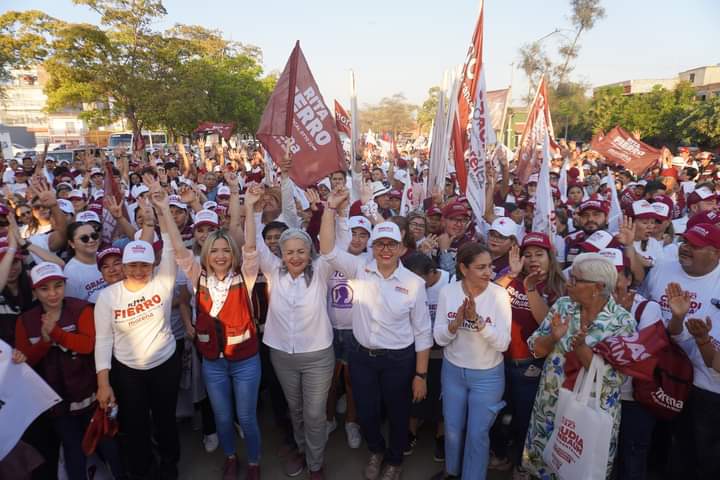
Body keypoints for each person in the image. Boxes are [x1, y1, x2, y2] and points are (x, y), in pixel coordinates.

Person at [319, 189, 432, 480]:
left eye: (391, 244)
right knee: (367, 412)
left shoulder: (413, 283)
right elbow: (328, 250)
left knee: (397, 413)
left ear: (401, 248)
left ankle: (394, 460)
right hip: (362, 357)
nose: (385, 249)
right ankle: (376, 450)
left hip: (399, 360)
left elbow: (422, 331)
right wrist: (330, 210)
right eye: (379, 243)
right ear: (372, 246)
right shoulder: (358, 268)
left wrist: (420, 375)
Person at [164, 174, 262, 480]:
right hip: (213, 362)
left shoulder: (243, 276)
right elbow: (179, 250)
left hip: (245, 360)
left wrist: (250, 208)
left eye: (225, 251)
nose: (220, 256)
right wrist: (163, 210)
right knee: (222, 417)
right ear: (206, 254)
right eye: (214, 250)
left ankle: (255, 462)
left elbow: (250, 247)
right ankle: (231, 457)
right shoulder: (198, 277)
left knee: (246, 416)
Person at [244, 183, 335, 480]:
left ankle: (316, 463)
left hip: (318, 356)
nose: (295, 257)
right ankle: (301, 448)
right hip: (282, 354)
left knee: (314, 413)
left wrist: (328, 210)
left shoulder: (321, 272)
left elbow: (330, 246)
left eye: (301, 251)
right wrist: (251, 209)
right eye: (289, 252)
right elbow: (253, 245)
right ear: (280, 253)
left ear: (309, 252)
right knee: (295, 411)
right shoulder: (273, 270)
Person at [93, 183, 181, 479]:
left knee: (166, 419)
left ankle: (170, 464)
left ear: (153, 264)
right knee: (135, 424)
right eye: (133, 265)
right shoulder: (108, 297)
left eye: (145, 265)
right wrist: (104, 383)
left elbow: (170, 244)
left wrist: (162, 210)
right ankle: (142, 470)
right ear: (125, 265)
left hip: (165, 364)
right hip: (127, 371)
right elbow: (103, 341)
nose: (139, 271)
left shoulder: (162, 282)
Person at [523, 253, 636, 479]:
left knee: (581, 469)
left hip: (591, 412)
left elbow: (613, 380)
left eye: (575, 280)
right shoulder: (563, 306)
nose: (568, 283)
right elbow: (535, 349)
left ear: (598, 287)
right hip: (551, 405)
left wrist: (581, 347)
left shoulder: (622, 323)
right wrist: (553, 338)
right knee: (544, 466)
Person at [14, 262, 124, 480]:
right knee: (74, 451)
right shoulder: (25, 320)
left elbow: (89, 345)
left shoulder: (81, 309)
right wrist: (44, 343)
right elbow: (26, 361)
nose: (53, 293)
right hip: (57, 404)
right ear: (34, 291)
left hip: (91, 397)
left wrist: (55, 333)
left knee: (109, 446)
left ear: (65, 286)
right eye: (44, 289)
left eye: (58, 286)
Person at [430, 243, 511, 480]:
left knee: (477, 434)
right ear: (464, 269)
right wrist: (455, 324)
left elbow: (503, 343)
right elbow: (439, 337)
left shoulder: (499, 295)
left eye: (490, 266)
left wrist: (478, 322)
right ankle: (452, 472)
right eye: (481, 267)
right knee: (453, 429)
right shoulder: (448, 292)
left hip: (487, 376)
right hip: (452, 372)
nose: (489, 273)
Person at [493, 232, 566, 478]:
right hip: (499, 360)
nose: (533, 259)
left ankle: (521, 464)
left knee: (525, 418)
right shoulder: (511, 278)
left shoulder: (558, 287)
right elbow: (488, 298)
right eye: (528, 254)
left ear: (550, 257)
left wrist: (532, 289)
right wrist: (512, 274)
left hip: (531, 365)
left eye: (539, 254)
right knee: (500, 414)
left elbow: (546, 323)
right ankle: (500, 455)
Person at [325, 215, 372, 449]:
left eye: (363, 235)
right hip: (330, 329)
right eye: (353, 233)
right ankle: (329, 419)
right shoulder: (331, 258)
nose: (357, 239)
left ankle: (351, 422)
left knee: (352, 380)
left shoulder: (369, 260)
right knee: (329, 380)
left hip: (356, 331)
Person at [63, 221, 105, 302]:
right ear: (72, 243)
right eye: (84, 238)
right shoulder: (70, 273)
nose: (91, 240)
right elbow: (72, 305)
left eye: (94, 236)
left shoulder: (105, 256)